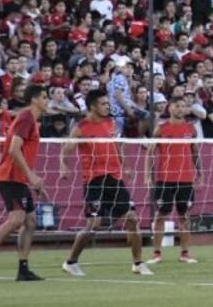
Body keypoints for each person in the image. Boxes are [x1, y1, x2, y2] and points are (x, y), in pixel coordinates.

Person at [59, 89, 151, 276]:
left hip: (114, 178)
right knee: (93, 224)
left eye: (108, 103)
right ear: (92, 106)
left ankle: (138, 263)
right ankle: (71, 262)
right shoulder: (81, 127)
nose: (107, 106)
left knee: (132, 218)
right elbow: (66, 149)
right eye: (103, 103)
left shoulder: (111, 123)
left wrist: (126, 165)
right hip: (94, 181)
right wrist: (62, 165)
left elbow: (117, 145)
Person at [0, 85, 50, 282]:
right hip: (10, 176)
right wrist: (31, 177)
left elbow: (21, 152)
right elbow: (14, 150)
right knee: (17, 219)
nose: (47, 101)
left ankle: (23, 269)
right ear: (34, 99)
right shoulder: (26, 117)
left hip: (18, 177)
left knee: (30, 221)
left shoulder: (29, 119)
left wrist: (31, 178)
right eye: (44, 97)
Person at [144, 97, 202, 264]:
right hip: (165, 179)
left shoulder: (191, 129)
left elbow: (195, 152)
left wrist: (200, 173)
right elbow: (150, 152)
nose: (180, 109)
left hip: (185, 179)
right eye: (177, 106)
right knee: (161, 216)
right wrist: (147, 175)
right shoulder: (161, 129)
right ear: (170, 108)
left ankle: (184, 253)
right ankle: (156, 253)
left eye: (183, 106)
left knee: (184, 216)